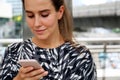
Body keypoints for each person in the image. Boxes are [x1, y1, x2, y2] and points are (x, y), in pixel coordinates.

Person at [0, 0, 97, 80]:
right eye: (30, 15)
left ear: (60, 12)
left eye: (44, 15)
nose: (36, 23)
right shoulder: (13, 52)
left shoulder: (82, 56)